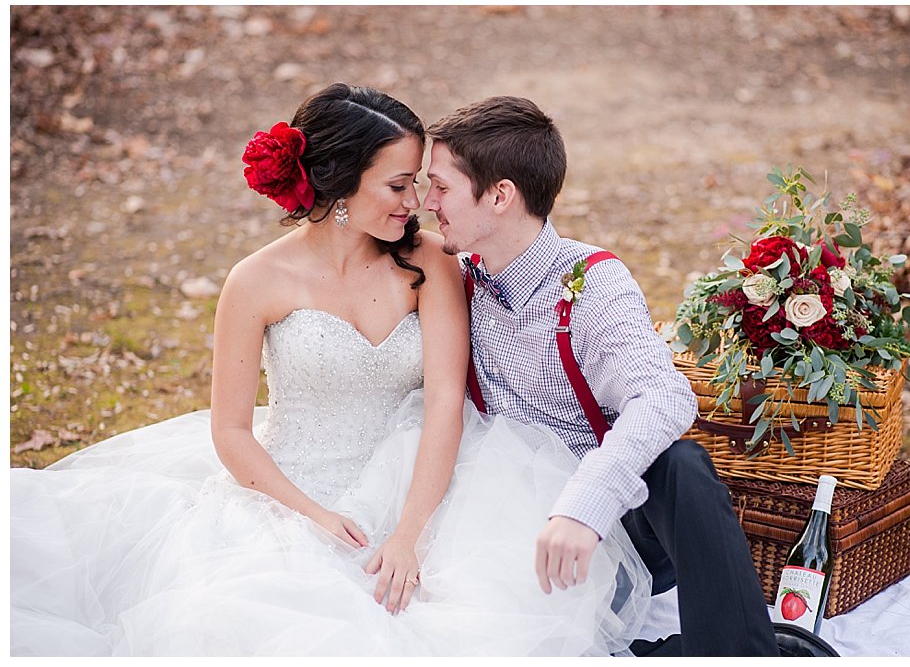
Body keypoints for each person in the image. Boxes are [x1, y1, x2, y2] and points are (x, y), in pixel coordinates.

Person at [9, 83, 651, 656]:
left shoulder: (431, 262)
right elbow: (229, 431)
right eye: (399, 186)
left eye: (422, 184)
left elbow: (443, 404)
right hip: (287, 493)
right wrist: (312, 516)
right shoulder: (254, 281)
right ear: (342, 184)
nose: (419, 202)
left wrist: (408, 534)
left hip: (418, 484)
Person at [422, 96, 781, 656]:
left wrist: (583, 506)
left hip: (602, 526)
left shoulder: (591, 285)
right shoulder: (450, 275)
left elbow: (664, 398)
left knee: (680, 464)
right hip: (492, 522)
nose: (427, 202)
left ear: (499, 195)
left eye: (440, 187)